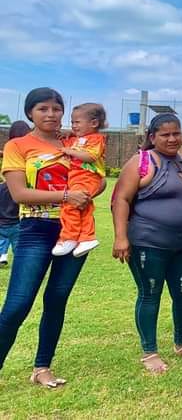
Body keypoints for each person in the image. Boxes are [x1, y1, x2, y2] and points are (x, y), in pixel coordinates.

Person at [0, 88, 93, 388]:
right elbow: (19, 193)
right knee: (18, 304)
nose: (51, 114)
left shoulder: (74, 143)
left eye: (56, 108)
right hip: (36, 229)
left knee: (56, 300)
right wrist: (67, 195)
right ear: (30, 113)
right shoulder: (18, 145)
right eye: (43, 109)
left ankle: (42, 367)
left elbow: (97, 177)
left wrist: (90, 190)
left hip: (74, 231)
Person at [112, 113, 182, 374]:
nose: (172, 139)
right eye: (165, 134)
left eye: (176, 133)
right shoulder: (141, 161)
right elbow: (121, 199)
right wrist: (121, 237)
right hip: (148, 244)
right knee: (150, 294)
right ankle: (149, 352)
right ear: (152, 137)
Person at [53, 103, 107, 258]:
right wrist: (66, 135)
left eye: (77, 122)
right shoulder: (78, 139)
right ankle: (87, 238)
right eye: (72, 122)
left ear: (94, 123)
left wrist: (69, 151)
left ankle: (68, 237)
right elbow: (65, 141)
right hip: (76, 177)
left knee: (70, 205)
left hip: (88, 176)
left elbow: (90, 156)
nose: (74, 126)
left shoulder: (96, 139)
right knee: (83, 206)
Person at [0, 121, 31, 267]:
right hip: (26, 188)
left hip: (8, 185)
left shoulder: (10, 147)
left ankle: (2, 255)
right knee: (18, 239)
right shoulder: (30, 148)